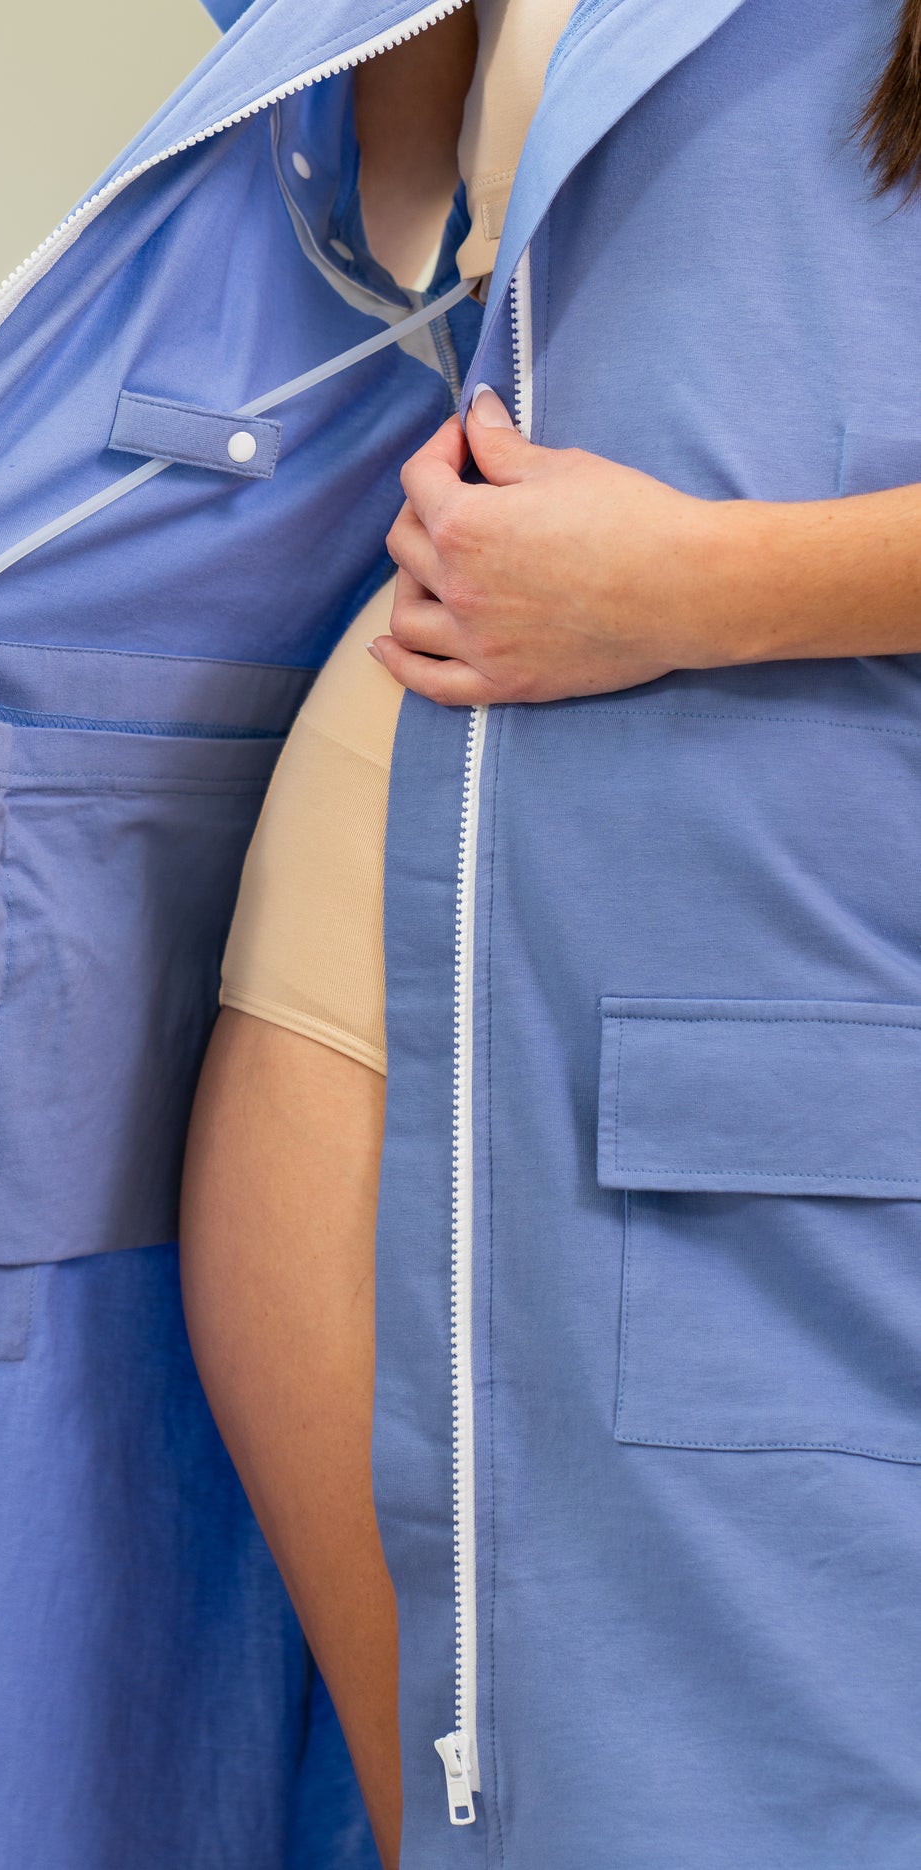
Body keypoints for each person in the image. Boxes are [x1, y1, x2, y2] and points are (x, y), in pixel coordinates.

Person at [184, 0, 921, 1864]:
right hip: (384, 902)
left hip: (784, 944)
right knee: (456, 1809)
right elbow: (379, 264)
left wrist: (704, 590)